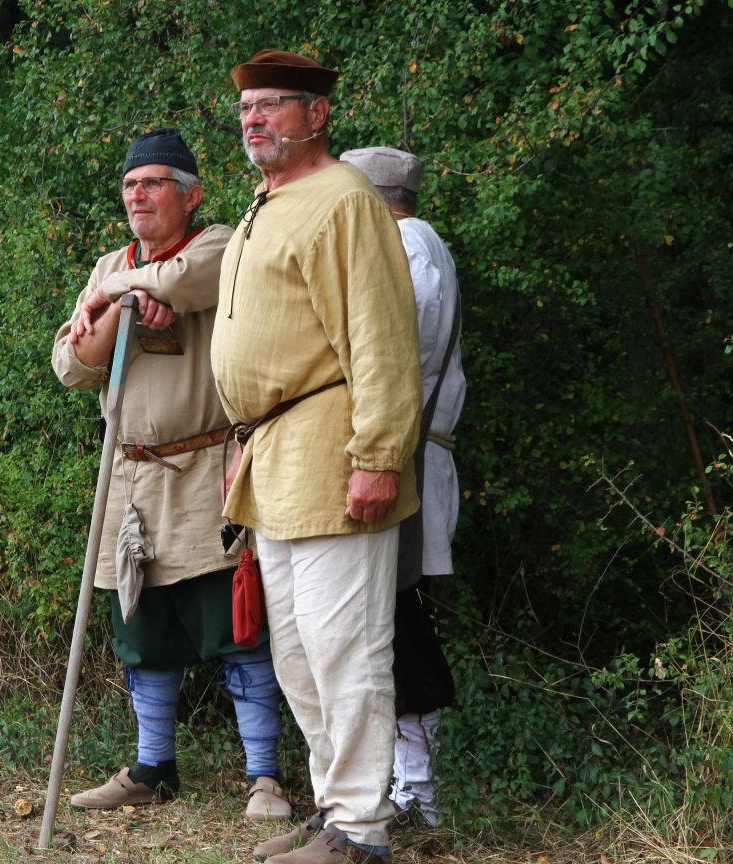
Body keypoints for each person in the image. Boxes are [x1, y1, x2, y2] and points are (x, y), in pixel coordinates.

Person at [209, 51, 423, 864]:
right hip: (275, 454)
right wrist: (242, 445)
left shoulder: (344, 200)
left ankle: (362, 830)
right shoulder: (267, 204)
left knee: (345, 648)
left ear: (317, 114)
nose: (254, 119)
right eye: (246, 108)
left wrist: (380, 457)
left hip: (334, 451)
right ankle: (336, 807)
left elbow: (381, 340)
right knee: (298, 653)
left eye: (271, 105)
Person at [51, 128, 291, 823]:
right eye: (130, 185)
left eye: (153, 183)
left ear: (190, 195)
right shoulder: (111, 263)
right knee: (142, 627)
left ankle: (264, 776)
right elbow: (69, 366)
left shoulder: (219, 244)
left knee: (236, 624)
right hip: (129, 475)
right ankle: (152, 767)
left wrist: (116, 293)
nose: (138, 195)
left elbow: (184, 282)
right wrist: (121, 311)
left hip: (206, 469)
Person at [339, 146, 466, 828]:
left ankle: (415, 796)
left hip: (401, 457)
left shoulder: (407, 247)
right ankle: (395, 789)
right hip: (402, 453)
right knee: (385, 623)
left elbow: (388, 360)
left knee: (398, 623)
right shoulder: (413, 243)